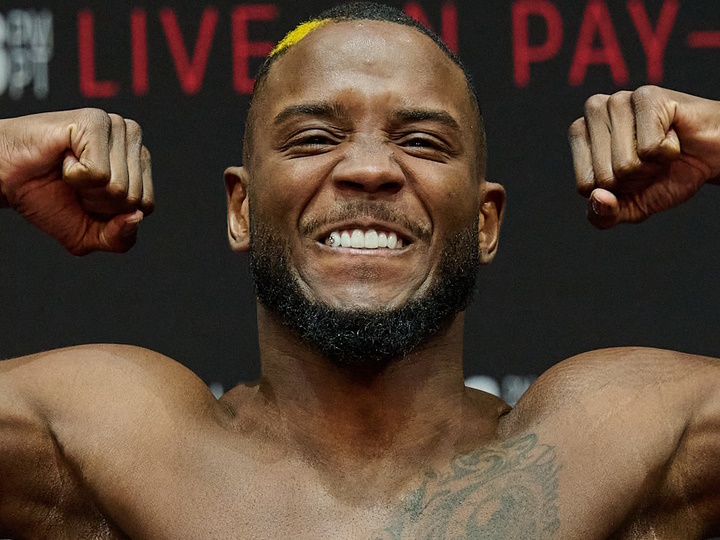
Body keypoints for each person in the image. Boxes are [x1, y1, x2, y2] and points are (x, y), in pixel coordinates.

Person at [0, 3, 718, 538]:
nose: (371, 169)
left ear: (486, 221)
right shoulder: (132, 445)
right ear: (241, 209)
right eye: (315, 138)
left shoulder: (600, 445)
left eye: (422, 142)